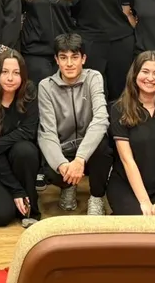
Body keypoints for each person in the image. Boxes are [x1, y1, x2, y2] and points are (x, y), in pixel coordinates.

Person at [37, 33, 112, 215]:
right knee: (51, 166)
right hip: (64, 149)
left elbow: (101, 118)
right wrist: (63, 165)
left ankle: (96, 196)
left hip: (88, 149)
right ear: (56, 60)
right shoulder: (46, 86)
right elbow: (47, 132)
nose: (69, 63)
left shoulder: (94, 77)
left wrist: (80, 159)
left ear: (83, 59)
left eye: (75, 57)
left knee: (104, 148)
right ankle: (68, 185)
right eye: (63, 58)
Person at [106, 51, 155, 217]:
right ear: (135, 74)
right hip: (126, 185)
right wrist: (144, 201)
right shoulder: (119, 109)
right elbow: (127, 160)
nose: (150, 78)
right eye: (145, 71)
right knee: (142, 226)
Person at [0, 50, 41, 227]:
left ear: (23, 75)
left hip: (17, 158)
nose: (10, 78)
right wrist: (16, 190)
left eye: (16, 73)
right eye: (4, 72)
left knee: (26, 150)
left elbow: (28, 131)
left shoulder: (29, 90)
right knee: (1, 215)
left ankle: (31, 207)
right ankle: (16, 194)